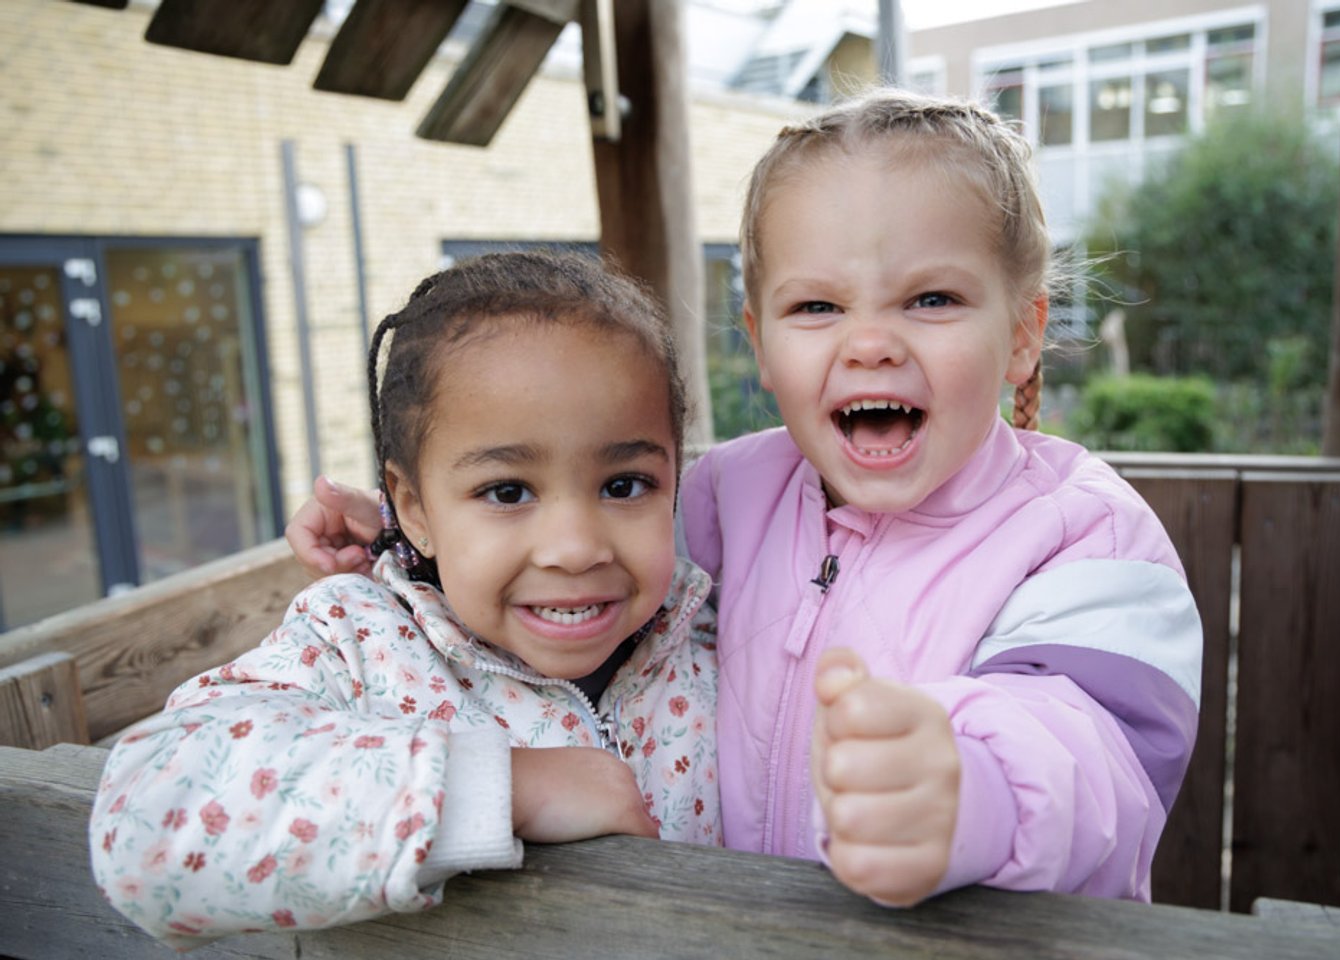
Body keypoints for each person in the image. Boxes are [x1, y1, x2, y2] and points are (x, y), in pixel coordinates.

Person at [286, 89, 1203, 909]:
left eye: (930, 299)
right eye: (818, 309)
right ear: (762, 346)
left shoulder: (1084, 534)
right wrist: (410, 544)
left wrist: (978, 791)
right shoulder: (732, 492)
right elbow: (580, 544)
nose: (871, 344)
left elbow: (1100, 752)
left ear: (1022, 334)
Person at [89, 251, 721, 947]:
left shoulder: (714, 633)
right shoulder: (359, 645)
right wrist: (505, 788)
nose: (575, 547)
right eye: (507, 492)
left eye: (625, 484)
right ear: (413, 508)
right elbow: (149, 818)